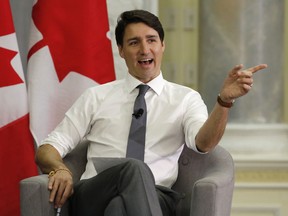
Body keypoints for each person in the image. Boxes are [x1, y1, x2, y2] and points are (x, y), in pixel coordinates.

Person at [35, 9, 267, 216]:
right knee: (132, 168)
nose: (145, 49)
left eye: (151, 40)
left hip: (157, 196)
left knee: (118, 208)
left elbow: (203, 144)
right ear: (121, 50)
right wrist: (59, 168)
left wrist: (224, 102)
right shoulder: (96, 97)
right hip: (95, 193)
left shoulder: (185, 98)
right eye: (134, 42)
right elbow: (47, 148)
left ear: (162, 46)